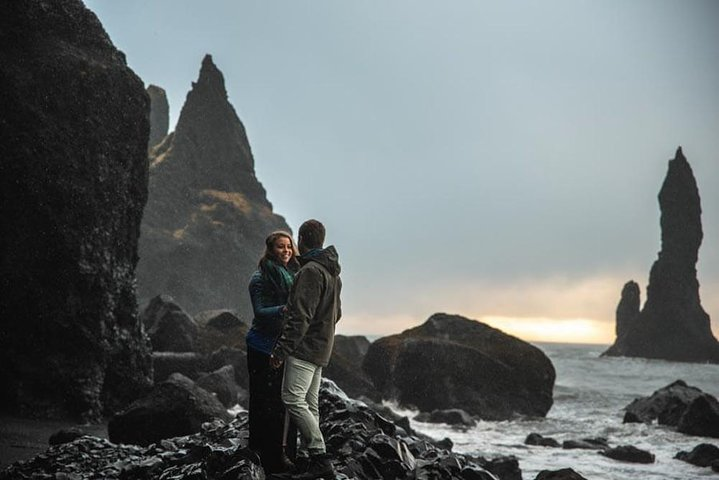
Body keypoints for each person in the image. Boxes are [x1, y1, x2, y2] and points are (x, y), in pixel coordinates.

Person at [270, 219, 342, 479]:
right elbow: (337, 314)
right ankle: (312, 461)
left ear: (301, 240)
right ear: (321, 240)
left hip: (305, 349)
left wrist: (281, 351)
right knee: (310, 404)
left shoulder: (311, 271)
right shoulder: (332, 272)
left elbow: (300, 317)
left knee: (292, 398)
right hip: (322, 347)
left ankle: (320, 457)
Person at [246, 231, 299, 473]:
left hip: (280, 345)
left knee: (277, 401)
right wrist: (284, 309)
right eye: (281, 247)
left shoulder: (291, 273)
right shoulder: (260, 277)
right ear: (271, 249)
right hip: (260, 345)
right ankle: (261, 450)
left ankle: (277, 451)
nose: (287, 250)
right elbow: (259, 312)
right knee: (262, 399)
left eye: (289, 246)